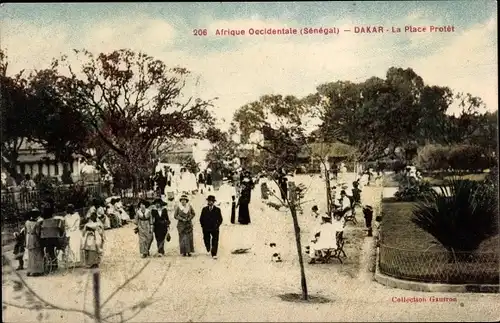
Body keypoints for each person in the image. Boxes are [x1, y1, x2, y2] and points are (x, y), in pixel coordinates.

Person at [39, 198, 65, 273]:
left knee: (48, 250)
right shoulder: (54, 220)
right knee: (50, 251)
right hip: (53, 238)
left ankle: (50, 265)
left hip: (47, 238)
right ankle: (53, 264)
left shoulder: (43, 220)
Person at [25, 208, 44, 276]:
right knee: (37, 254)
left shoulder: (27, 222)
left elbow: (26, 231)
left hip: (29, 237)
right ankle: (37, 271)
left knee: (31, 255)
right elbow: (37, 232)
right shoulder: (37, 223)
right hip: (35, 238)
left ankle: (30, 270)